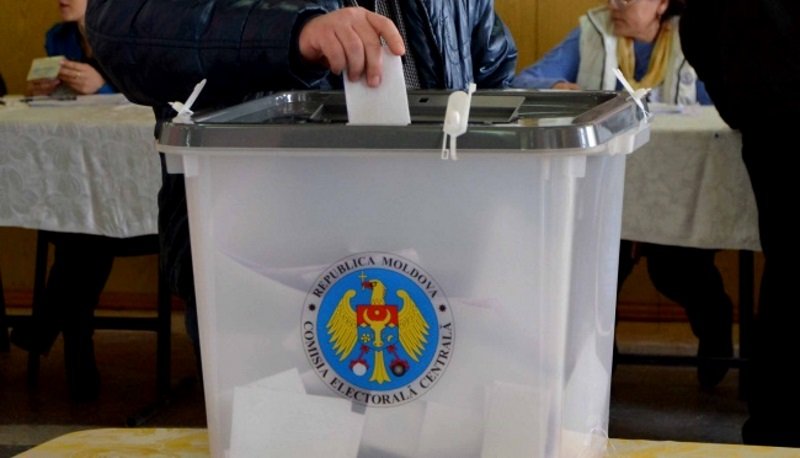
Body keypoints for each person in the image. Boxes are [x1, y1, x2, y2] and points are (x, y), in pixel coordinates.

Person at [83, 0, 518, 377]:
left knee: (438, 426)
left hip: (438, 255)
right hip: (269, 265)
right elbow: (121, 25)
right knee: (284, 428)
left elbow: (490, 68)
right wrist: (293, 32)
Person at [512, 0, 734, 390]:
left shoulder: (694, 35)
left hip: (677, 190)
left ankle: (716, 326)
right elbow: (523, 82)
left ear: (662, 3)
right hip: (599, 194)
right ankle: (598, 370)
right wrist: (558, 87)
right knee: (598, 271)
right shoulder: (593, 31)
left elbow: (722, 102)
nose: (616, 2)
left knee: (675, 270)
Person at [680, 0, 800, 447]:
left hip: (768, 117)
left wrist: (740, 102)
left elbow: (696, 29)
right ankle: (776, 425)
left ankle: (774, 426)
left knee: (788, 271)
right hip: (774, 117)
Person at [10, 0, 119, 402]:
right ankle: (70, 350)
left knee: (86, 231)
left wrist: (103, 88)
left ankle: (46, 329)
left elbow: (157, 99)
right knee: (84, 229)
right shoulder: (58, 37)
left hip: (129, 175)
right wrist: (45, 91)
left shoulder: (128, 36)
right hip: (79, 170)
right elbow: (66, 110)